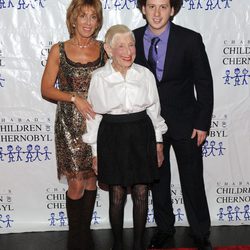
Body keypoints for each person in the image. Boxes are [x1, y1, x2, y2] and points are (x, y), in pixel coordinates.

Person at [133, 0, 214, 249]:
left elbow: (204, 83)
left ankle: (200, 232)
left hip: (186, 123)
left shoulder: (190, 39)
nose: (157, 13)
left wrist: (202, 123)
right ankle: (164, 228)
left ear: (173, 9)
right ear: (143, 9)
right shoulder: (131, 39)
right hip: (149, 125)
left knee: (192, 180)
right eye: (152, 6)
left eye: (164, 6)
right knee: (158, 180)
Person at [83, 24, 168, 250]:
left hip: (142, 133)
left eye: (131, 45)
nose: (127, 51)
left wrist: (158, 143)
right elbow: (93, 117)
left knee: (141, 191)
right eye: (120, 46)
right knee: (117, 193)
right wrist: (95, 153)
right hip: (111, 135)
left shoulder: (145, 74)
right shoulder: (99, 77)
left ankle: (139, 245)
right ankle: (118, 245)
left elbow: (154, 111)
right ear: (109, 50)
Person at [41, 0, 106, 249]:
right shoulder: (58, 50)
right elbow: (46, 89)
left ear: (98, 21)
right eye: (83, 16)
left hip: (98, 125)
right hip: (69, 125)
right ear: (73, 19)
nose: (88, 22)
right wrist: (73, 97)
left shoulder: (104, 49)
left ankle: (85, 233)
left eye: (93, 17)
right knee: (76, 182)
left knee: (91, 179)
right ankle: (74, 237)